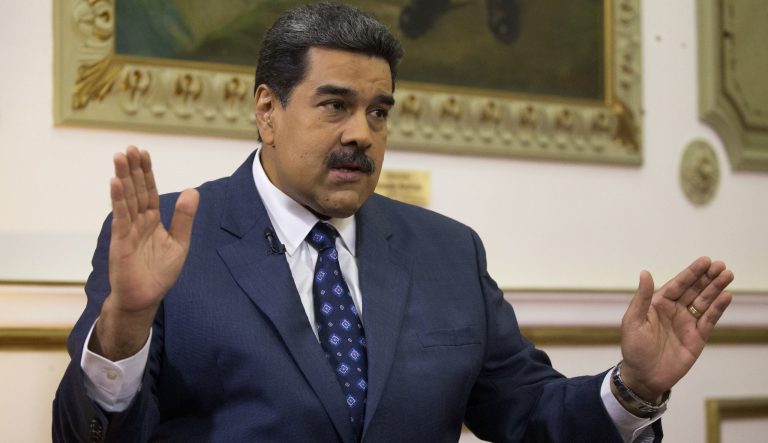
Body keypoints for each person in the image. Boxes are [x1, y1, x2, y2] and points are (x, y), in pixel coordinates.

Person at [53, 3, 733, 442]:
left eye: (379, 112)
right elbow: (89, 435)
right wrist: (126, 327)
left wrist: (636, 386)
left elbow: (528, 413)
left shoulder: (447, 252)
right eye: (335, 105)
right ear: (266, 110)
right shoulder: (169, 237)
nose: (363, 134)